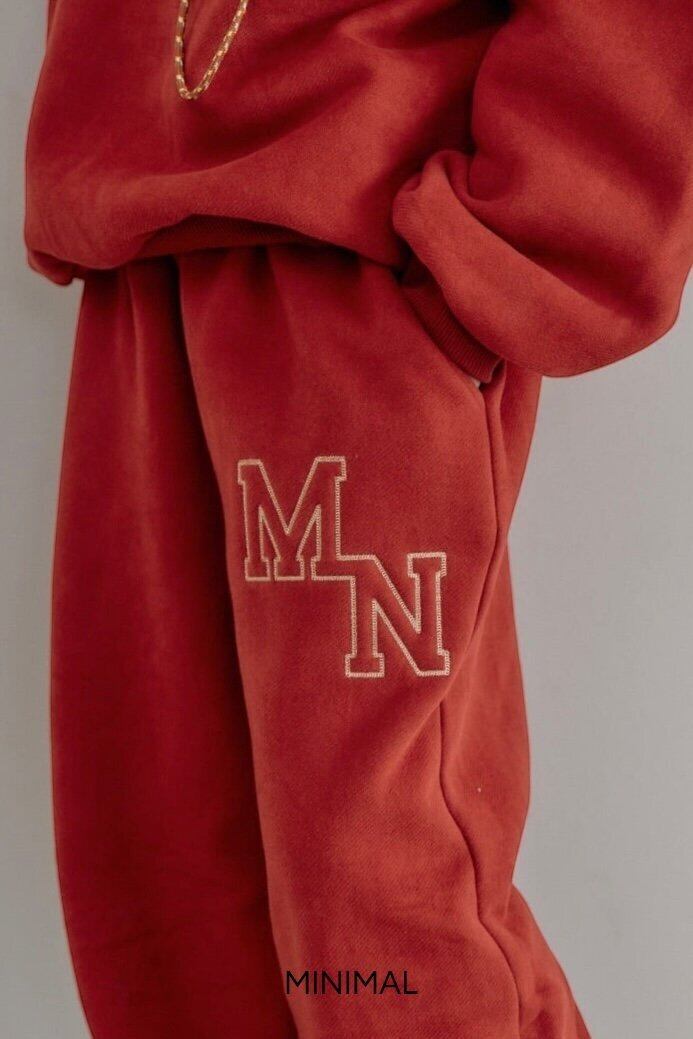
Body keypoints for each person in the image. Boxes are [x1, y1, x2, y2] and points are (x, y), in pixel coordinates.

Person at [26, 1, 691, 1036]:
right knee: (163, 890)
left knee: (384, 926)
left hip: (353, 242)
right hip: (139, 233)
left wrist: (538, 226)